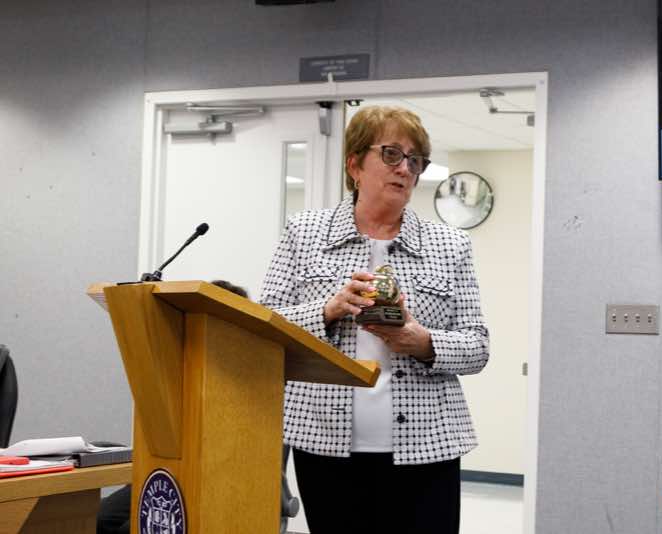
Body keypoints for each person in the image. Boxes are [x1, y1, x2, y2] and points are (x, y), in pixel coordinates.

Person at [259, 105, 489, 534]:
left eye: (415, 160)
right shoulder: (304, 233)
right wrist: (328, 310)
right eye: (391, 154)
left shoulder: (450, 245)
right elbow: (266, 326)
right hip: (325, 444)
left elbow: (477, 345)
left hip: (427, 448)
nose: (405, 168)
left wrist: (422, 342)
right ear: (354, 165)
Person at [97, 279, 300, 534]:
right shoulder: (179, 365)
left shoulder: (256, 373)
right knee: (101, 519)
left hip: (223, 480)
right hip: (166, 473)